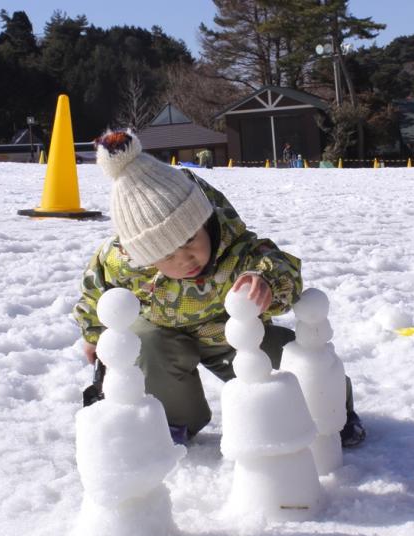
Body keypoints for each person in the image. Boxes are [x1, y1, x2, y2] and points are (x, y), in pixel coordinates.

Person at [74, 129, 366, 447]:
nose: (185, 259)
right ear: (145, 257)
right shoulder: (121, 262)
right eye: (166, 255)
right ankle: (174, 420)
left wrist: (266, 281)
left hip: (230, 333)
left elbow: (282, 266)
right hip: (163, 336)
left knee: (290, 359)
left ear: (205, 222)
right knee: (143, 343)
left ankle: (330, 410)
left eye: (190, 240)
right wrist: (95, 333)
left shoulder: (236, 251)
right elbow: (98, 292)